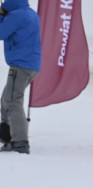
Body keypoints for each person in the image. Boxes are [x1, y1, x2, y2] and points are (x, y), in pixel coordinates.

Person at [0, 0, 41, 154]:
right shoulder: (30, 13)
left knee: (12, 101)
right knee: (7, 97)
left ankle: (19, 142)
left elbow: (1, 32)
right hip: (31, 65)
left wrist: (1, 15)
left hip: (20, 65)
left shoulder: (16, 15)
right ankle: (6, 133)